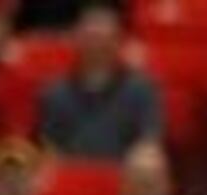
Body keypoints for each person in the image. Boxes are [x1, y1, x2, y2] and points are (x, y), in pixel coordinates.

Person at [35, 6, 167, 159]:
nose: (97, 47)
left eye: (105, 39)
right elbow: (49, 146)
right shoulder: (54, 92)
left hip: (125, 177)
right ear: (76, 39)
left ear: (118, 41)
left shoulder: (142, 89)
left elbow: (149, 142)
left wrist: (144, 156)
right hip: (71, 175)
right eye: (91, 38)